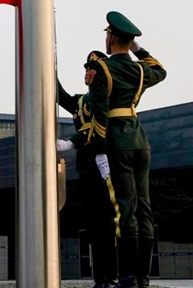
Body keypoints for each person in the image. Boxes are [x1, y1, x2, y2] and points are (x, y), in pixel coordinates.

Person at [87, 12, 167, 288]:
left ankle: (128, 277)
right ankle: (143, 276)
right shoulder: (141, 70)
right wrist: (138, 49)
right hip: (139, 139)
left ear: (110, 38)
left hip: (117, 140)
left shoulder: (102, 69)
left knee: (124, 210)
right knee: (144, 209)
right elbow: (161, 69)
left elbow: (99, 114)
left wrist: (98, 149)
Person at [56, 50, 117, 288]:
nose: (89, 72)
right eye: (87, 69)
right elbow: (61, 96)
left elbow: (97, 123)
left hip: (105, 160)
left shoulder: (108, 96)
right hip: (86, 164)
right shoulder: (82, 101)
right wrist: (49, 67)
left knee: (107, 221)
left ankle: (111, 276)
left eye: (94, 68)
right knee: (94, 223)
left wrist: (73, 141)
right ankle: (99, 278)